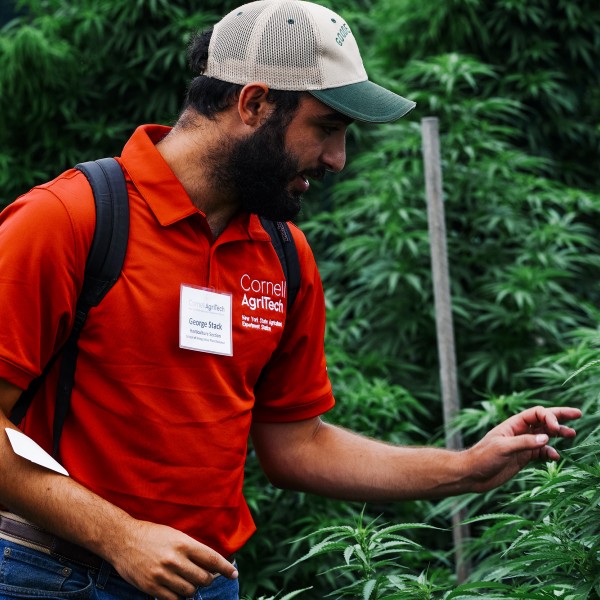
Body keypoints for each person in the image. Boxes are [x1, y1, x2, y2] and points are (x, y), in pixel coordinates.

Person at [0, 1, 581, 599]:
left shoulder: (283, 256)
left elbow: (297, 444)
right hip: (54, 574)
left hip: (203, 579)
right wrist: (119, 536)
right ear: (252, 104)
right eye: (326, 127)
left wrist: (466, 468)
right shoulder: (68, 220)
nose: (337, 159)